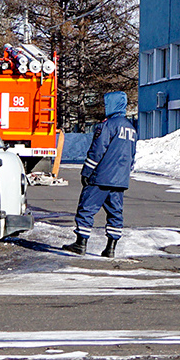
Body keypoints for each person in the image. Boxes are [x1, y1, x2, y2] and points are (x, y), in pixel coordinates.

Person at [65, 91, 137, 258]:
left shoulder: (108, 125)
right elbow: (131, 155)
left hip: (101, 177)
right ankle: (110, 248)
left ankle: (80, 243)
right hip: (119, 180)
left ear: (112, 105)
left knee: (86, 208)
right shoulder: (131, 128)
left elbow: (97, 151)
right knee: (115, 213)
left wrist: (87, 171)